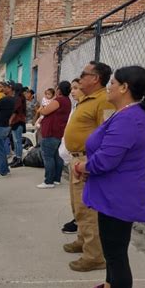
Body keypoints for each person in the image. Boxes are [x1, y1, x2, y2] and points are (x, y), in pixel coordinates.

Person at [74, 66, 145, 288]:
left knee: (116, 256)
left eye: (112, 83)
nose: (108, 86)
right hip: (112, 194)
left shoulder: (130, 118)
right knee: (113, 253)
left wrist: (82, 166)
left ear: (124, 88)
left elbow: (105, 160)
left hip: (118, 197)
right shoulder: (126, 114)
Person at [63, 61, 115, 272]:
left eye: (84, 74)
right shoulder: (87, 99)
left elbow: (108, 135)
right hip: (77, 160)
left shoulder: (104, 101)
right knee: (78, 206)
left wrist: (91, 164)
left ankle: (94, 256)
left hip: (87, 161)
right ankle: (82, 240)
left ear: (95, 78)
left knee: (88, 210)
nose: (80, 77)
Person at [36, 81, 72, 188]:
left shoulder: (59, 100)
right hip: (58, 132)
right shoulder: (67, 101)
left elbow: (44, 111)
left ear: (59, 90)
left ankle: (49, 181)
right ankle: (56, 179)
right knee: (56, 156)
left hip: (51, 132)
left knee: (48, 156)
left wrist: (42, 107)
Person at [60, 78, 84, 234]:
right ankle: (78, 220)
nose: (72, 91)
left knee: (81, 197)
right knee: (74, 197)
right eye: (72, 88)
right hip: (72, 157)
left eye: (76, 88)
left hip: (82, 158)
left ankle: (81, 224)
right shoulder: (77, 106)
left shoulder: (94, 106)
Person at [9, 83, 27, 168]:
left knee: (17, 141)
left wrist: (10, 120)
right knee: (16, 141)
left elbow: (15, 111)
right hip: (18, 121)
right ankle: (16, 157)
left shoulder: (18, 98)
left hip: (17, 121)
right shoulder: (21, 97)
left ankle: (19, 159)